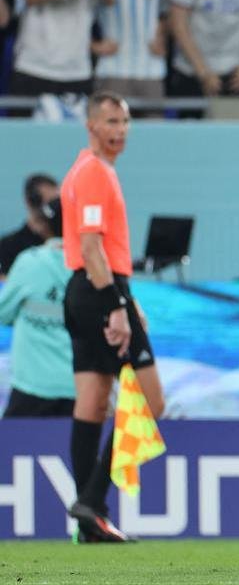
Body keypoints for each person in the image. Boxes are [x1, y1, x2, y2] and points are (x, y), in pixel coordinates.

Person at [60, 91, 165, 542]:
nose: (120, 131)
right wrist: (117, 305)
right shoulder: (94, 173)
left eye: (124, 122)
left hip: (87, 289)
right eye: (110, 122)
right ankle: (92, 500)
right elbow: (91, 248)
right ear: (91, 126)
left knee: (92, 402)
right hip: (98, 289)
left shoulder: (85, 170)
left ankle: (90, 522)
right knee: (152, 401)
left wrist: (125, 297)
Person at [0, 198, 76, 417]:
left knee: (13, 439)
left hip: (31, 387)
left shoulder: (29, 262)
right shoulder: (94, 268)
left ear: (45, 226)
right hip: (80, 388)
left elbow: (3, 312)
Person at [0, 173, 57, 278]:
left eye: (54, 203)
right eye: (40, 201)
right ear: (28, 201)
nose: (47, 208)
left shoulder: (66, 242)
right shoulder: (9, 245)